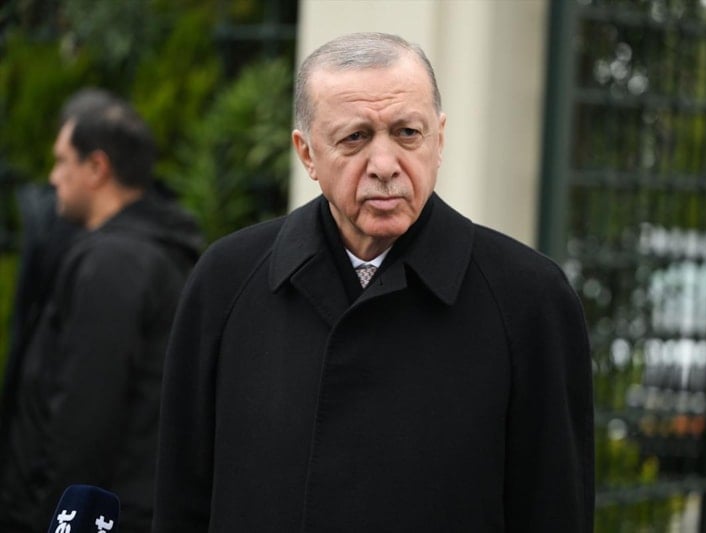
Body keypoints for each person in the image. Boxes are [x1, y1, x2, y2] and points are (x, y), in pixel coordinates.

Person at [153, 32, 594, 532]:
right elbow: (181, 499)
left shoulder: (529, 298)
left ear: (439, 139)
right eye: (355, 138)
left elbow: (555, 507)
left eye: (407, 133)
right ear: (307, 153)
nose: (384, 166)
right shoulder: (226, 281)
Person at [0, 89, 203, 532]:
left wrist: (51, 520)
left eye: (62, 161)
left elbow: (84, 421)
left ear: (96, 168)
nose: (53, 177)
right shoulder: (147, 252)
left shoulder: (115, 263)